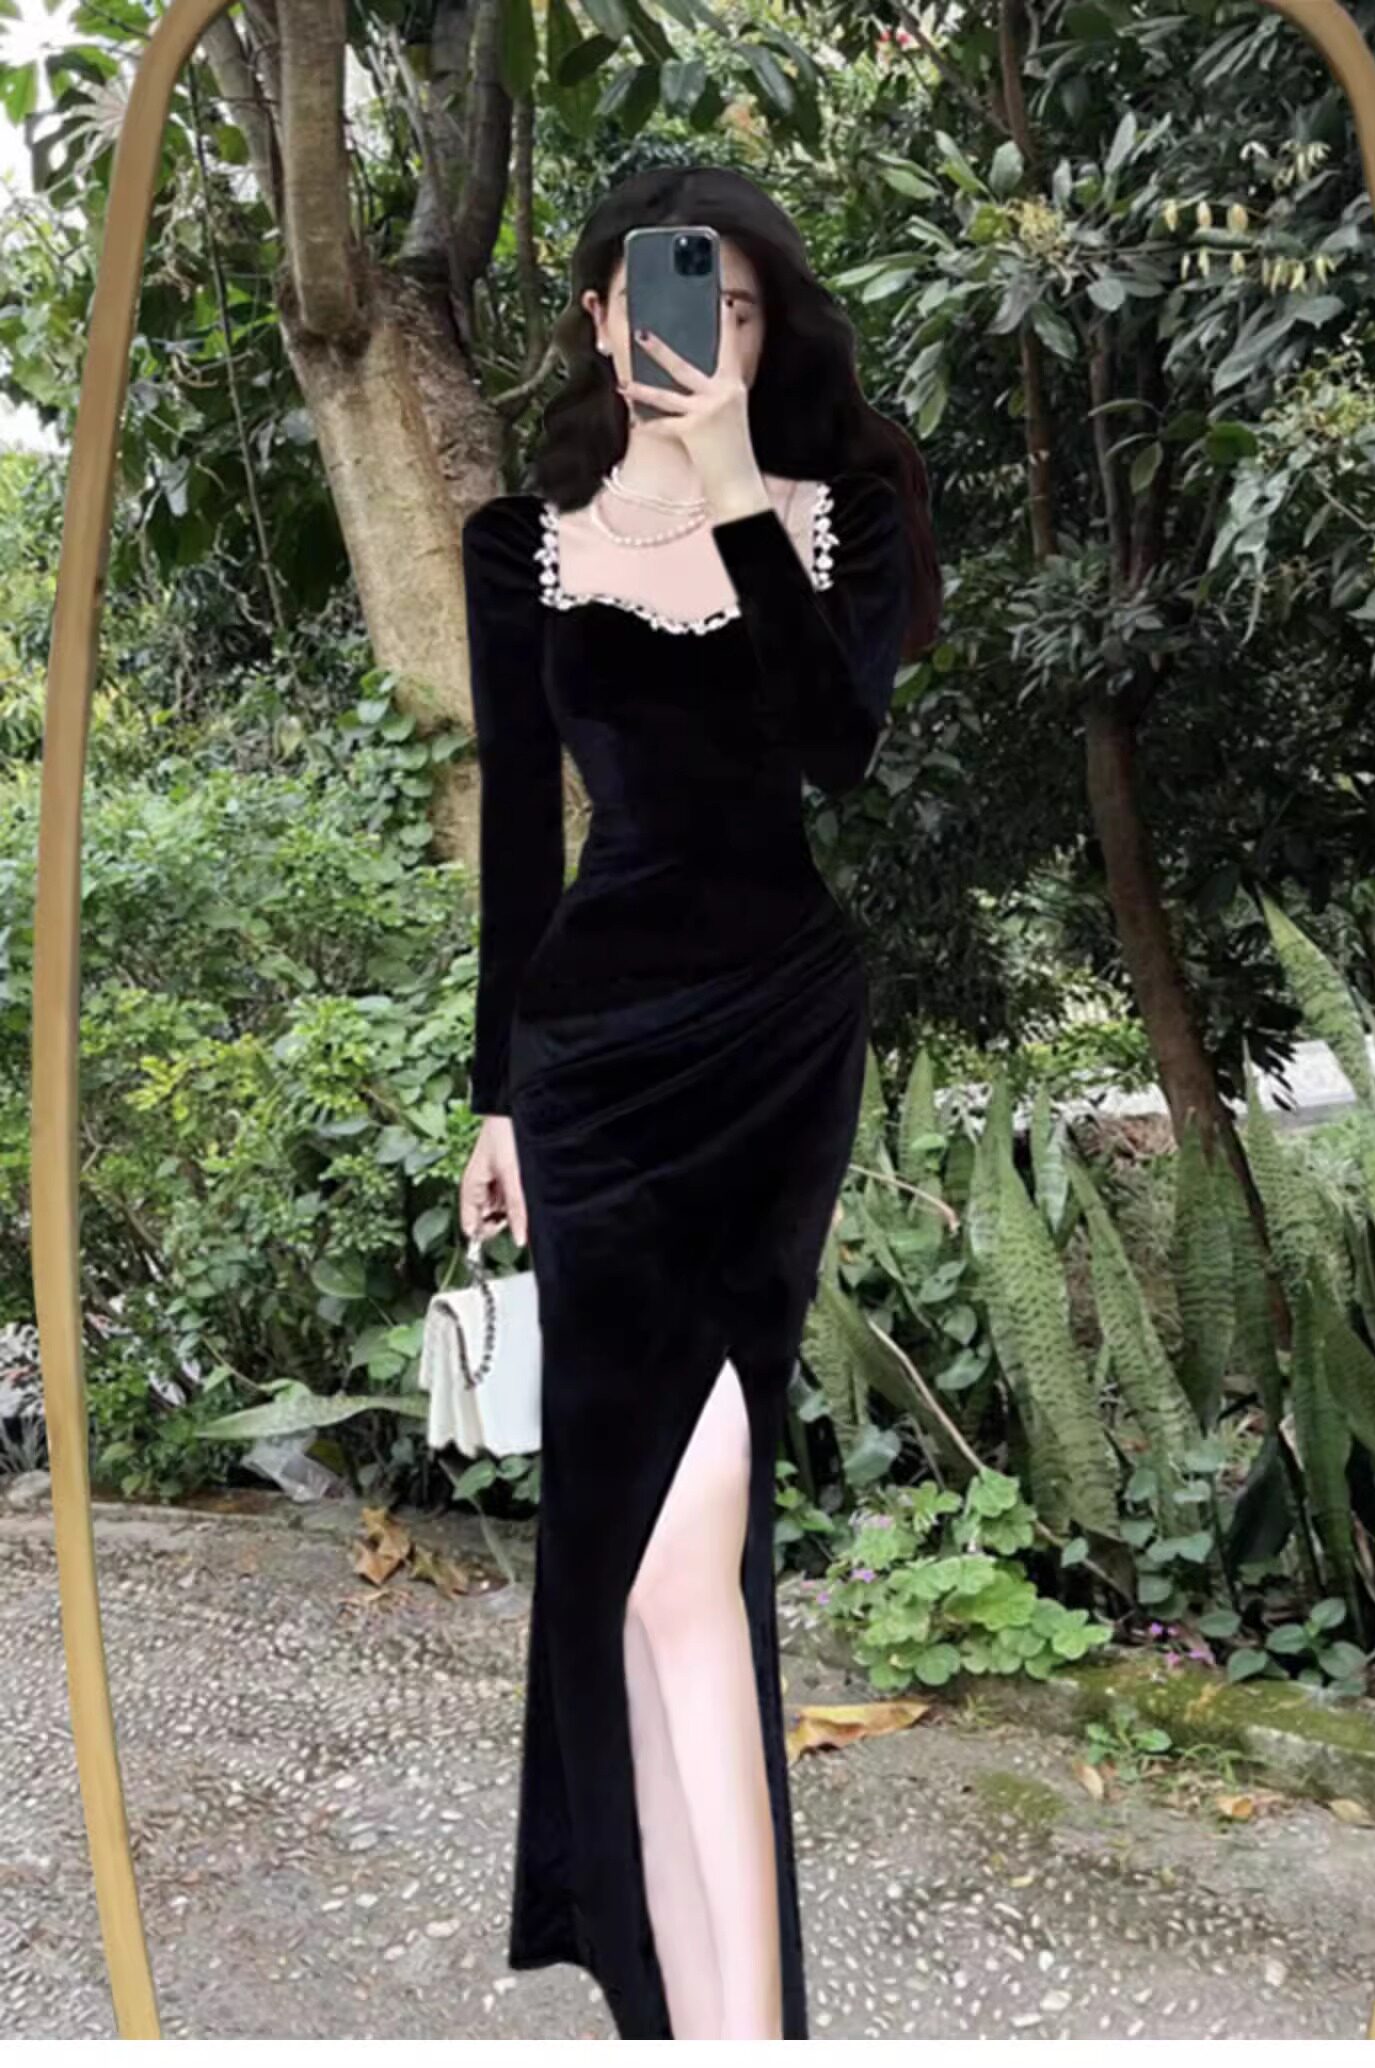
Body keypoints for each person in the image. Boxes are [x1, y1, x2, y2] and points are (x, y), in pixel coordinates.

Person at [456, 163, 938, 2041]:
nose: (701, 336)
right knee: (641, 1568)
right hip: (591, 1070)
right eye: (671, 302)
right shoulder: (524, 547)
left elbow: (834, 750)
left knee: (688, 1532)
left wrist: (735, 474)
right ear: (599, 319)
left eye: (734, 309)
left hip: (771, 1043)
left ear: (766, 329)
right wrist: (496, 1101)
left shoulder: (836, 515)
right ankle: (693, 2019)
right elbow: (520, 835)